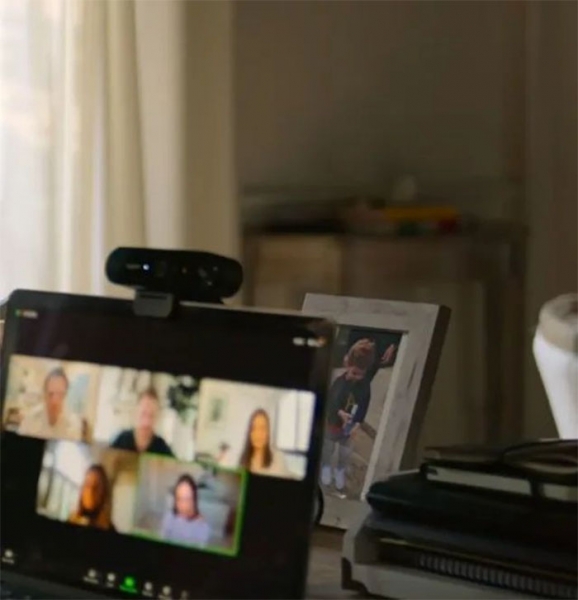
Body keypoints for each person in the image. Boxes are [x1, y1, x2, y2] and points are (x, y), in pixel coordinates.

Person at [320, 338, 376, 494]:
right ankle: (326, 468)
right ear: (347, 365)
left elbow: (364, 405)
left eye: (361, 375)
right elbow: (331, 401)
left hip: (349, 427)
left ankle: (340, 471)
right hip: (333, 423)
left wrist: (357, 422)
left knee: (345, 452)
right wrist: (339, 413)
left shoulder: (365, 386)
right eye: (354, 373)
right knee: (328, 448)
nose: (357, 377)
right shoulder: (339, 382)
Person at [18, 367, 82, 441]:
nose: (55, 401)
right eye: (50, 394)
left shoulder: (74, 426)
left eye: (60, 395)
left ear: (65, 395)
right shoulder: (30, 418)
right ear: (44, 395)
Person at [110, 387, 173, 456]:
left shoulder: (162, 448)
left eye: (151, 416)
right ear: (136, 413)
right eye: (143, 414)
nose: (146, 422)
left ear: (157, 418)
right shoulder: (121, 440)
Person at [160, 474, 211, 547]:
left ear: (194, 500)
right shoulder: (169, 518)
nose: (183, 506)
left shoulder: (203, 527)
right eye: (179, 499)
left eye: (187, 499)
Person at [239, 408, 290, 477]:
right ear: (249, 433)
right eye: (254, 428)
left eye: (262, 428)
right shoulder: (243, 461)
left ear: (268, 433)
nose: (258, 434)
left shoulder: (279, 459)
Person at [68, 464, 115, 531]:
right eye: (87, 484)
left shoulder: (109, 528)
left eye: (96, 486)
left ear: (104, 493)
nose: (90, 491)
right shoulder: (72, 519)